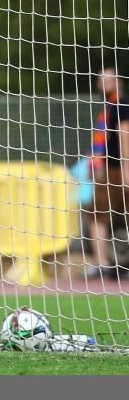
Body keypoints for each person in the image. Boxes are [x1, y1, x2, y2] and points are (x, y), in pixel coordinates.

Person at [82, 68, 129, 279]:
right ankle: (104, 263)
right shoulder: (109, 106)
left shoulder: (120, 104)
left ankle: (101, 263)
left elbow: (124, 134)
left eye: (106, 79)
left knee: (95, 215)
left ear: (117, 81)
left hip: (115, 170)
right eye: (100, 79)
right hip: (111, 168)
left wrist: (126, 167)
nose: (101, 83)